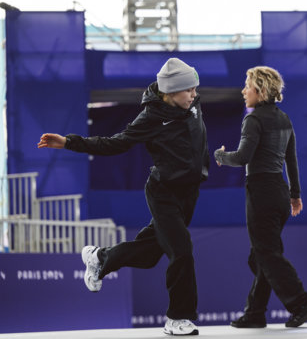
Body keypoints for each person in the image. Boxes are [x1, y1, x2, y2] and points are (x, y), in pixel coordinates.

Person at [37, 57, 208, 336]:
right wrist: (69, 142)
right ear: (170, 92)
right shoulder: (151, 117)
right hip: (163, 192)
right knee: (182, 251)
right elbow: (114, 144)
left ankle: (100, 258)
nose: (194, 94)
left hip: (189, 192)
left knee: (151, 254)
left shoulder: (192, 105)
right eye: (188, 90)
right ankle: (178, 318)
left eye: (194, 89)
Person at [214, 66, 307, 329]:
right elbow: (291, 160)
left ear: (260, 91)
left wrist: (220, 156)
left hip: (261, 192)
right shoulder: (284, 118)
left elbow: (242, 157)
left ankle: (301, 303)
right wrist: (295, 195)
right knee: (260, 256)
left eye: (247, 86)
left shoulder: (253, 120)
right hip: (280, 193)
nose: (243, 91)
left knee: (268, 254)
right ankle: (255, 313)